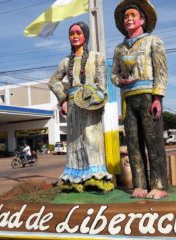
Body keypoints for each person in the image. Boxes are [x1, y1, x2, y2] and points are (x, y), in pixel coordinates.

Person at [111, 0, 168, 199]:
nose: (129, 19)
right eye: (126, 17)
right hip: (128, 99)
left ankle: (159, 184)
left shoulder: (154, 41)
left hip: (147, 95)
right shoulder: (119, 49)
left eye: (133, 15)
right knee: (133, 144)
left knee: (153, 142)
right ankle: (140, 184)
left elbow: (161, 72)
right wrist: (121, 80)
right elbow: (113, 75)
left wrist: (157, 98)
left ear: (142, 19)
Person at [49, 22, 113, 192]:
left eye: (78, 32)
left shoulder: (97, 57)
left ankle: (95, 177)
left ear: (85, 35)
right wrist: (63, 100)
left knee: (92, 138)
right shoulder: (65, 62)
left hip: (91, 104)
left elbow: (102, 84)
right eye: (72, 33)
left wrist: (96, 99)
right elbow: (53, 82)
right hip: (72, 107)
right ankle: (75, 178)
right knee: (75, 141)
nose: (75, 36)